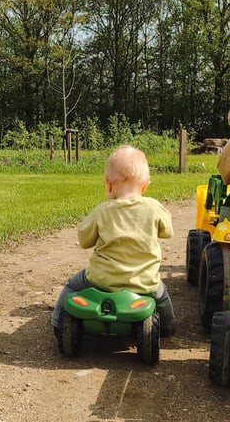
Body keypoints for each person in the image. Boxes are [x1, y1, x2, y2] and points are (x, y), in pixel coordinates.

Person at [51, 145, 176, 339]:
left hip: (101, 279)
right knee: (161, 295)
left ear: (108, 185)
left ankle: (57, 321)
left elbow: (84, 241)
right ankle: (167, 327)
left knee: (71, 286)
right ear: (145, 186)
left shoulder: (102, 211)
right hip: (143, 280)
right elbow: (167, 231)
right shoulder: (153, 207)